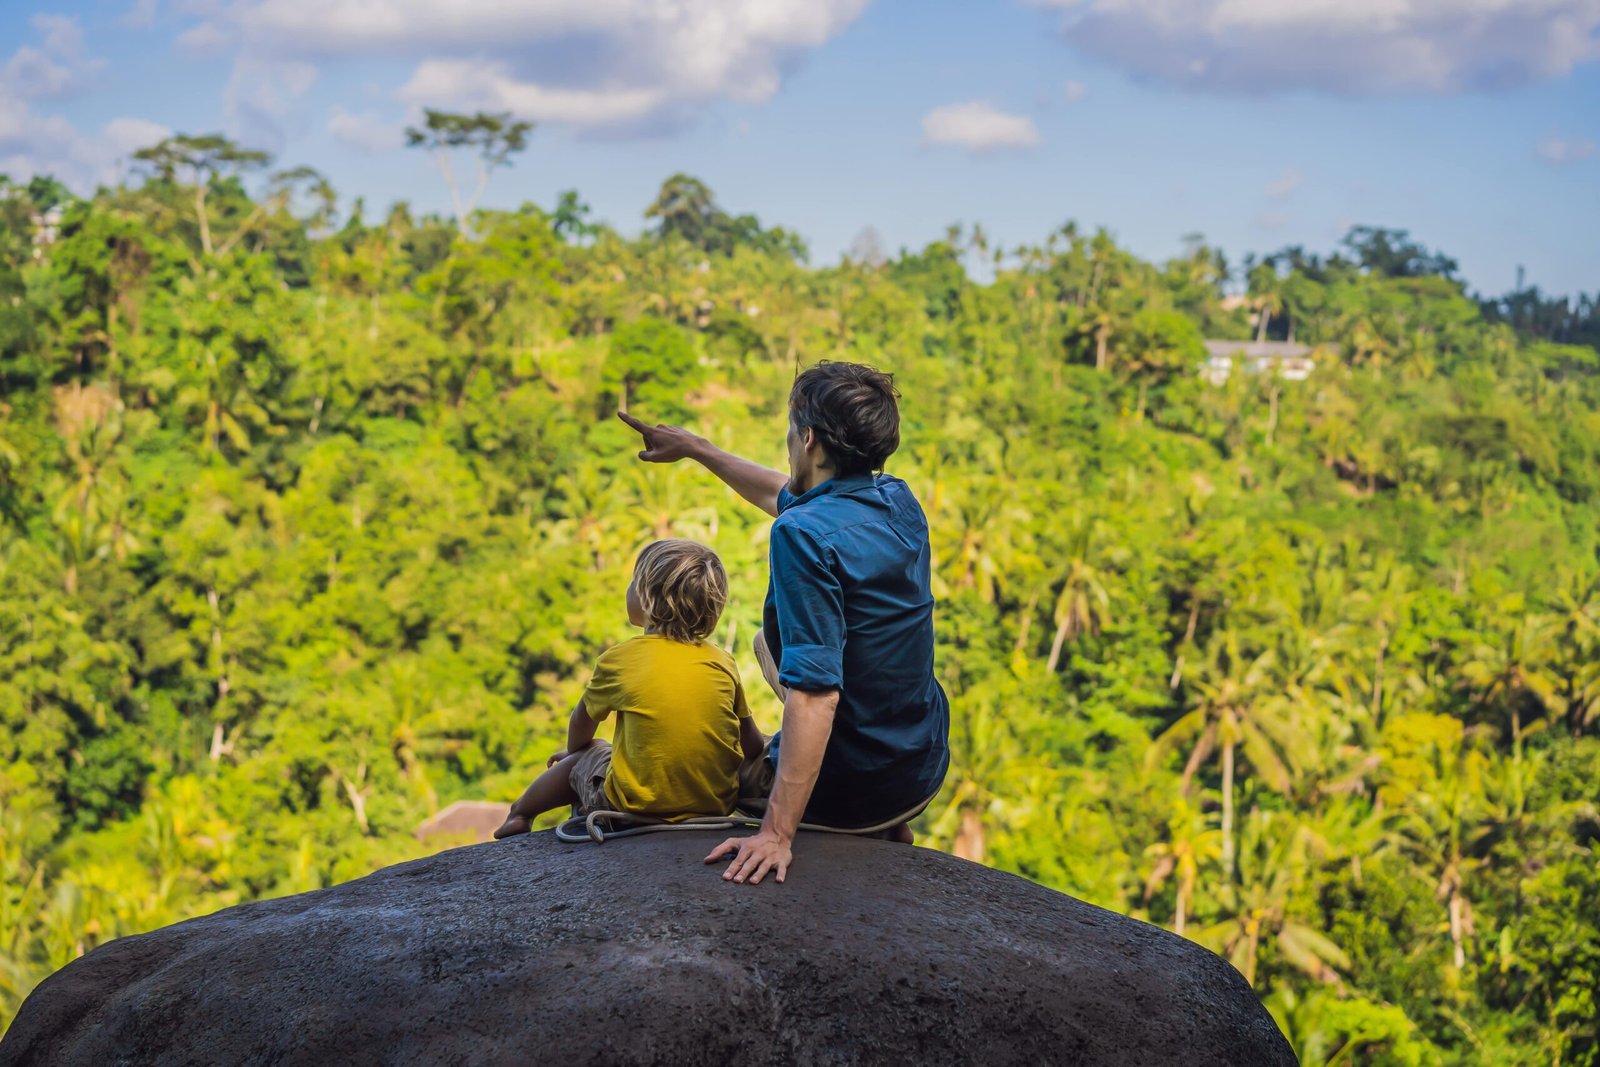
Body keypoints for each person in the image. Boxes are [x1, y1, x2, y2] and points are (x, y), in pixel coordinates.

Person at [618, 360, 950, 886]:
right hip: (918, 764)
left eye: (792, 431)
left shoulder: (801, 535)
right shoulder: (897, 499)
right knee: (765, 643)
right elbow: (782, 493)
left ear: (809, 439)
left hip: (856, 791)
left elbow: (817, 696)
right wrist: (697, 448)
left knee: (700, 775)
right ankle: (891, 823)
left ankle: (853, 819)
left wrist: (776, 833)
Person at [493, 538, 762, 839]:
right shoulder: (722, 661)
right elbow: (751, 744)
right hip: (713, 806)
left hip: (632, 808)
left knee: (588, 754)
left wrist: (577, 755)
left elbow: (579, 729)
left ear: (647, 598)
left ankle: (520, 814)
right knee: (599, 751)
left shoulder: (620, 659)